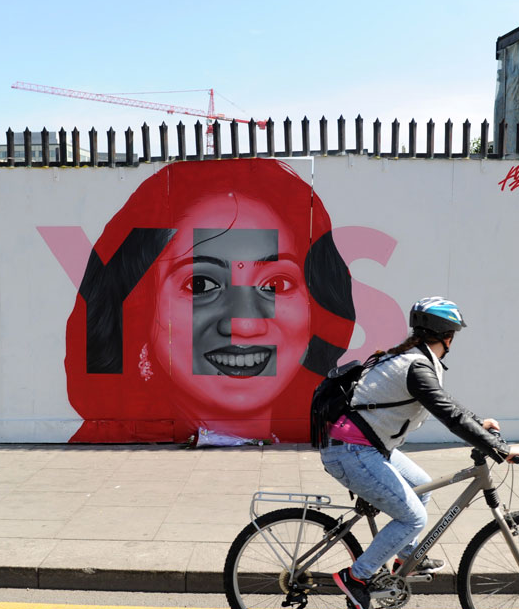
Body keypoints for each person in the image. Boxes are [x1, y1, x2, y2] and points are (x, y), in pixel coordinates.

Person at [64, 159, 356, 443]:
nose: (243, 324)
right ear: (139, 305)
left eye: (276, 284)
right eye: (201, 284)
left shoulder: (347, 437)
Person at [320, 297, 519, 609]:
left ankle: (406, 558)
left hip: (367, 447)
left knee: (423, 487)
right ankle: (356, 577)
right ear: (449, 336)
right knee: (412, 517)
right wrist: (498, 449)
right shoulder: (416, 364)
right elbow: (447, 414)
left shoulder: (413, 358)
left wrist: (479, 423)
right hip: (352, 451)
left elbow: (446, 403)